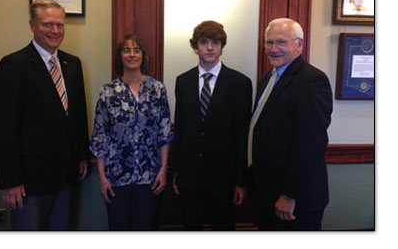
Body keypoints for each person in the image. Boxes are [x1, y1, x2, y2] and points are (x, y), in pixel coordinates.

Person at [0, 0, 89, 230]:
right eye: (47, 24)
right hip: (28, 183)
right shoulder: (14, 66)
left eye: (59, 24)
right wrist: (10, 181)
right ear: (32, 25)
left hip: (66, 176)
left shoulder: (72, 64)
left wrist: (82, 155)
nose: (55, 30)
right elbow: (4, 129)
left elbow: (77, 115)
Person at [248, 18, 333, 230]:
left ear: (299, 44)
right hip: (269, 190)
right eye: (269, 43)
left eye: (281, 42)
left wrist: (290, 195)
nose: (273, 49)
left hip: (295, 200)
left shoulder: (311, 80)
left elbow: (310, 144)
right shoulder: (269, 77)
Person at [172, 20, 252, 230]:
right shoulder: (183, 81)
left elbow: (242, 136)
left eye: (215, 42)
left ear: (222, 46)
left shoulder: (240, 83)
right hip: (190, 177)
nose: (209, 48)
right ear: (195, 46)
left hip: (224, 179)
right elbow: (180, 129)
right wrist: (176, 171)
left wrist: (240, 181)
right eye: (204, 42)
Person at [89, 34, 174, 230]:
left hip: (150, 177)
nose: (132, 54)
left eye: (137, 50)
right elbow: (100, 136)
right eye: (126, 50)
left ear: (143, 56)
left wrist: (163, 169)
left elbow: (164, 133)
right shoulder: (108, 92)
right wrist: (102, 178)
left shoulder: (157, 89)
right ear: (120, 56)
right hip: (116, 178)